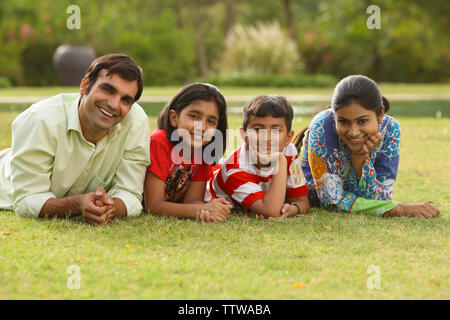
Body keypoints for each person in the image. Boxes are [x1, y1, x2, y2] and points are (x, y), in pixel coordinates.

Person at [0, 54, 150, 226]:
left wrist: (109, 208)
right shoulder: (39, 120)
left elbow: (130, 194)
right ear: (85, 85)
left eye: (126, 100)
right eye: (108, 90)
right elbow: (27, 201)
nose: (114, 105)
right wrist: (79, 204)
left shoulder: (135, 122)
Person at [295, 74, 440, 218]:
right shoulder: (321, 126)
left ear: (380, 113)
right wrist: (399, 209)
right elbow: (331, 201)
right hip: (314, 198)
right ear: (334, 116)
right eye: (343, 122)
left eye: (362, 121)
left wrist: (359, 159)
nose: (353, 132)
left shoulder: (390, 129)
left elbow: (382, 199)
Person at [205, 95, 310, 219]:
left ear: (288, 138)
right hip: (215, 184)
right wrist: (280, 161)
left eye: (276, 130)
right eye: (258, 129)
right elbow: (272, 212)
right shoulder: (233, 170)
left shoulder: (289, 150)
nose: (267, 138)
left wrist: (294, 209)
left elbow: (301, 201)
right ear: (244, 135)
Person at [144, 83, 232, 223]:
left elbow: (192, 201)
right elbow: (153, 206)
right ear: (174, 118)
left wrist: (210, 208)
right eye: (194, 116)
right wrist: (198, 209)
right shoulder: (159, 142)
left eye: (211, 121)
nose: (202, 127)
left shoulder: (203, 151)